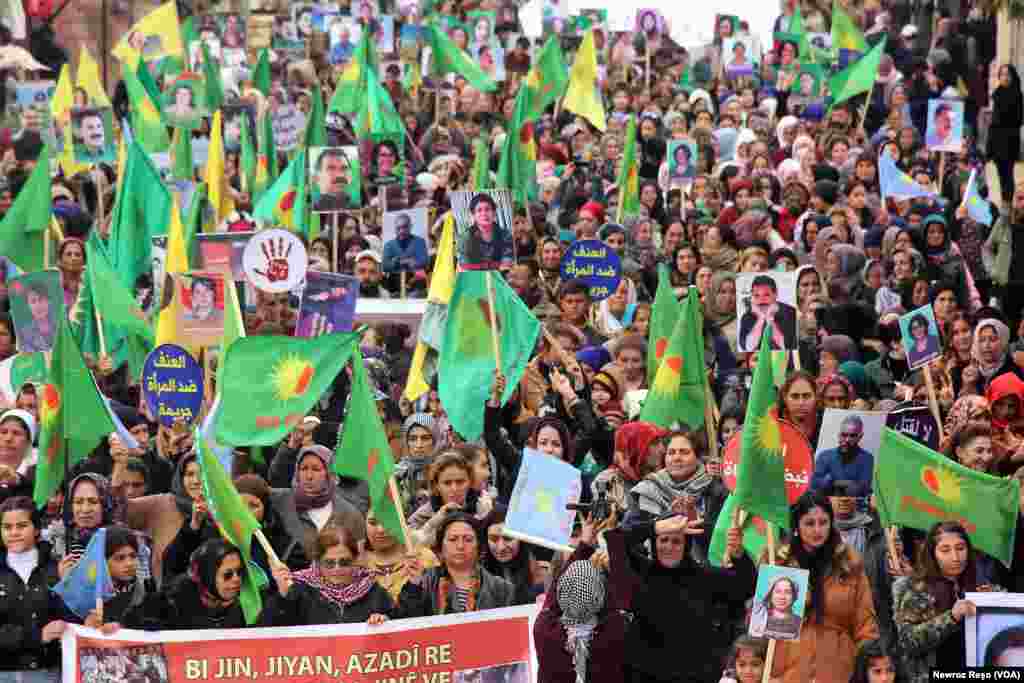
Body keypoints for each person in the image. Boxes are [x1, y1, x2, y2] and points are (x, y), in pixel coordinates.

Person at [764, 491, 879, 683]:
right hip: (788, 672)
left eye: (823, 522)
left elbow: (866, 625)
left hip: (839, 670)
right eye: (809, 523)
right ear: (796, 526)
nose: (817, 530)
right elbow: (762, 625)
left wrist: (866, 671)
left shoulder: (849, 563)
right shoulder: (779, 562)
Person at [894, 521, 1000, 682]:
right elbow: (908, 642)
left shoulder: (980, 586)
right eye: (945, 550)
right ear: (933, 554)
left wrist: (994, 601)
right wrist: (951, 617)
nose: (955, 557)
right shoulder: (917, 589)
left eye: (960, 548)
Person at [262, 525, 394, 626]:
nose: (337, 569)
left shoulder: (373, 591)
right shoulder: (300, 589)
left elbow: (397, 623)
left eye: (345, 562)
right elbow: (267, 629)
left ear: (355, 559)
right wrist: (283, 597)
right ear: (318, 562)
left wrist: (384, 621)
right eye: (329, 563)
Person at [0, 496, 66, 681]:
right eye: (7, 527)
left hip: (49, 671)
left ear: (36, 529)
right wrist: (37, 636)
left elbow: (70, 617)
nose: (14, 532)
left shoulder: (56, 568)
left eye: (22, 526)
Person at [398, 512, 515, 616]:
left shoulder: (502, 589)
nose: (460, 546)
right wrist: (414, 586)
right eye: (453, 539)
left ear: (479, 546)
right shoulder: (424, 581)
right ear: (441, 546)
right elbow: (406, 620)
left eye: (468, 539)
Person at [811, 415, 874, 496]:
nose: (847, 440)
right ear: (839, 435)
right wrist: (848, 483)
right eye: (844, 435)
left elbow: (861, 489)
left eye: (852, 436)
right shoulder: (824, 456)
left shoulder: (867, 459)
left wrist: (832, 481)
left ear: (860, 436)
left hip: (853, 503)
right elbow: (815, 484)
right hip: (826, 501)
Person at [738, 274, 798, 351]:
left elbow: (787, 346)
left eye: (766, 295)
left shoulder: (791, 313)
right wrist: (761, 318)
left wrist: (770, 320)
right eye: (757, 295)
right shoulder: (747, 316)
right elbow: (748, 347)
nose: (761, 300)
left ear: (775, 294)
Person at [460, 193, 513, 271]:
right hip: (474, 275)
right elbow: (465, 265)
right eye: (479, 210)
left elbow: (507, 262)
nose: (484, 214)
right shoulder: (466, 236)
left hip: (500, 274)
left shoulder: (505, 234)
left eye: (487, 209)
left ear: (494, 212)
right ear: (473, 215)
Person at [749, 575, 803, 640]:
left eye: (788, 592)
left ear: (794, 596)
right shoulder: (757, 618)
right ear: (770, 594)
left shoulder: (799, 622)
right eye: (778, 591)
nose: (782, 597)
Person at [16, 281, 55, 352]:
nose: (38, 305)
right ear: (28, 306)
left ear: (48, 301)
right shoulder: (24, 334)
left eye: (41, 299)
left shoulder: (60, 324)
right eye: (33, 301)